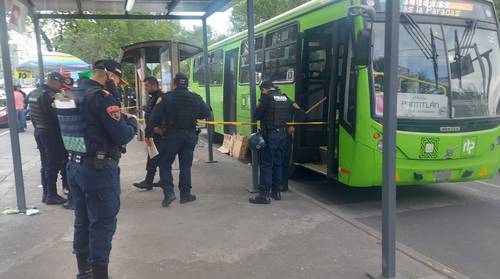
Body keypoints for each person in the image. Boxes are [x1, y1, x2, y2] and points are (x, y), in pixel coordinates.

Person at [54, 60, 137, 279]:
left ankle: (84, 272)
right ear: (109, 76)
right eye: (117, 80)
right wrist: (132, 123)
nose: (118, 84)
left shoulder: (66, 95)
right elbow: (121, 136)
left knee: (82, 222)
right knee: (102, 225)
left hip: (74, 166)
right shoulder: (101, 97)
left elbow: (79, 125)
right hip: (98, 171)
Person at [146, 72, 210, 207]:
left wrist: (148, 134)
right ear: (187, 84)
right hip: (190, 136)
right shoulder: (196, 98)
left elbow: (153, 118)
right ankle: (185, 195)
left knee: (164, 164)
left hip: (171, 137)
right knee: (185, 166)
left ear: (174, 84)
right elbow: (206, 113)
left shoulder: (166, 98)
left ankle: (169, 192)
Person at [249, 80, 305, 204]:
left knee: (266, 164)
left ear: (264, 89)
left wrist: (261, 99)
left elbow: (256, 115)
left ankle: (264, 195)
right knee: (278, 163)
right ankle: (276, 192)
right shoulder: (285, 98)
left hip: (270, 135)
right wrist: (293, 126)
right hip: (283, 135)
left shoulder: (266, 98)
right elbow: (301, 113)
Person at [27, 72, 68, 205]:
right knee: (53, 163)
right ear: (54, 82)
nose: (60, 87)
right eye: (60, 84)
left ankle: (46, 193)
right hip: (51, 133)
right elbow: (59, 117)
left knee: (45, 163)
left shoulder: (34, 93)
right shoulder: (50, 96)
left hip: (39, 130)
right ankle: (51, 194)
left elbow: (32, 114)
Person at [133, 77, 164, 190]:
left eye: (146, 85)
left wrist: (159, 128)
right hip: (154, 131)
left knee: (153, 156)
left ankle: (149, 181)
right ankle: (160, 180)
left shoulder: (160, 97)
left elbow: (162, 115)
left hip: (158, 133)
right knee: (155, 156)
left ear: (154, 85)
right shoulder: (154, 97)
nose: (145, 88)